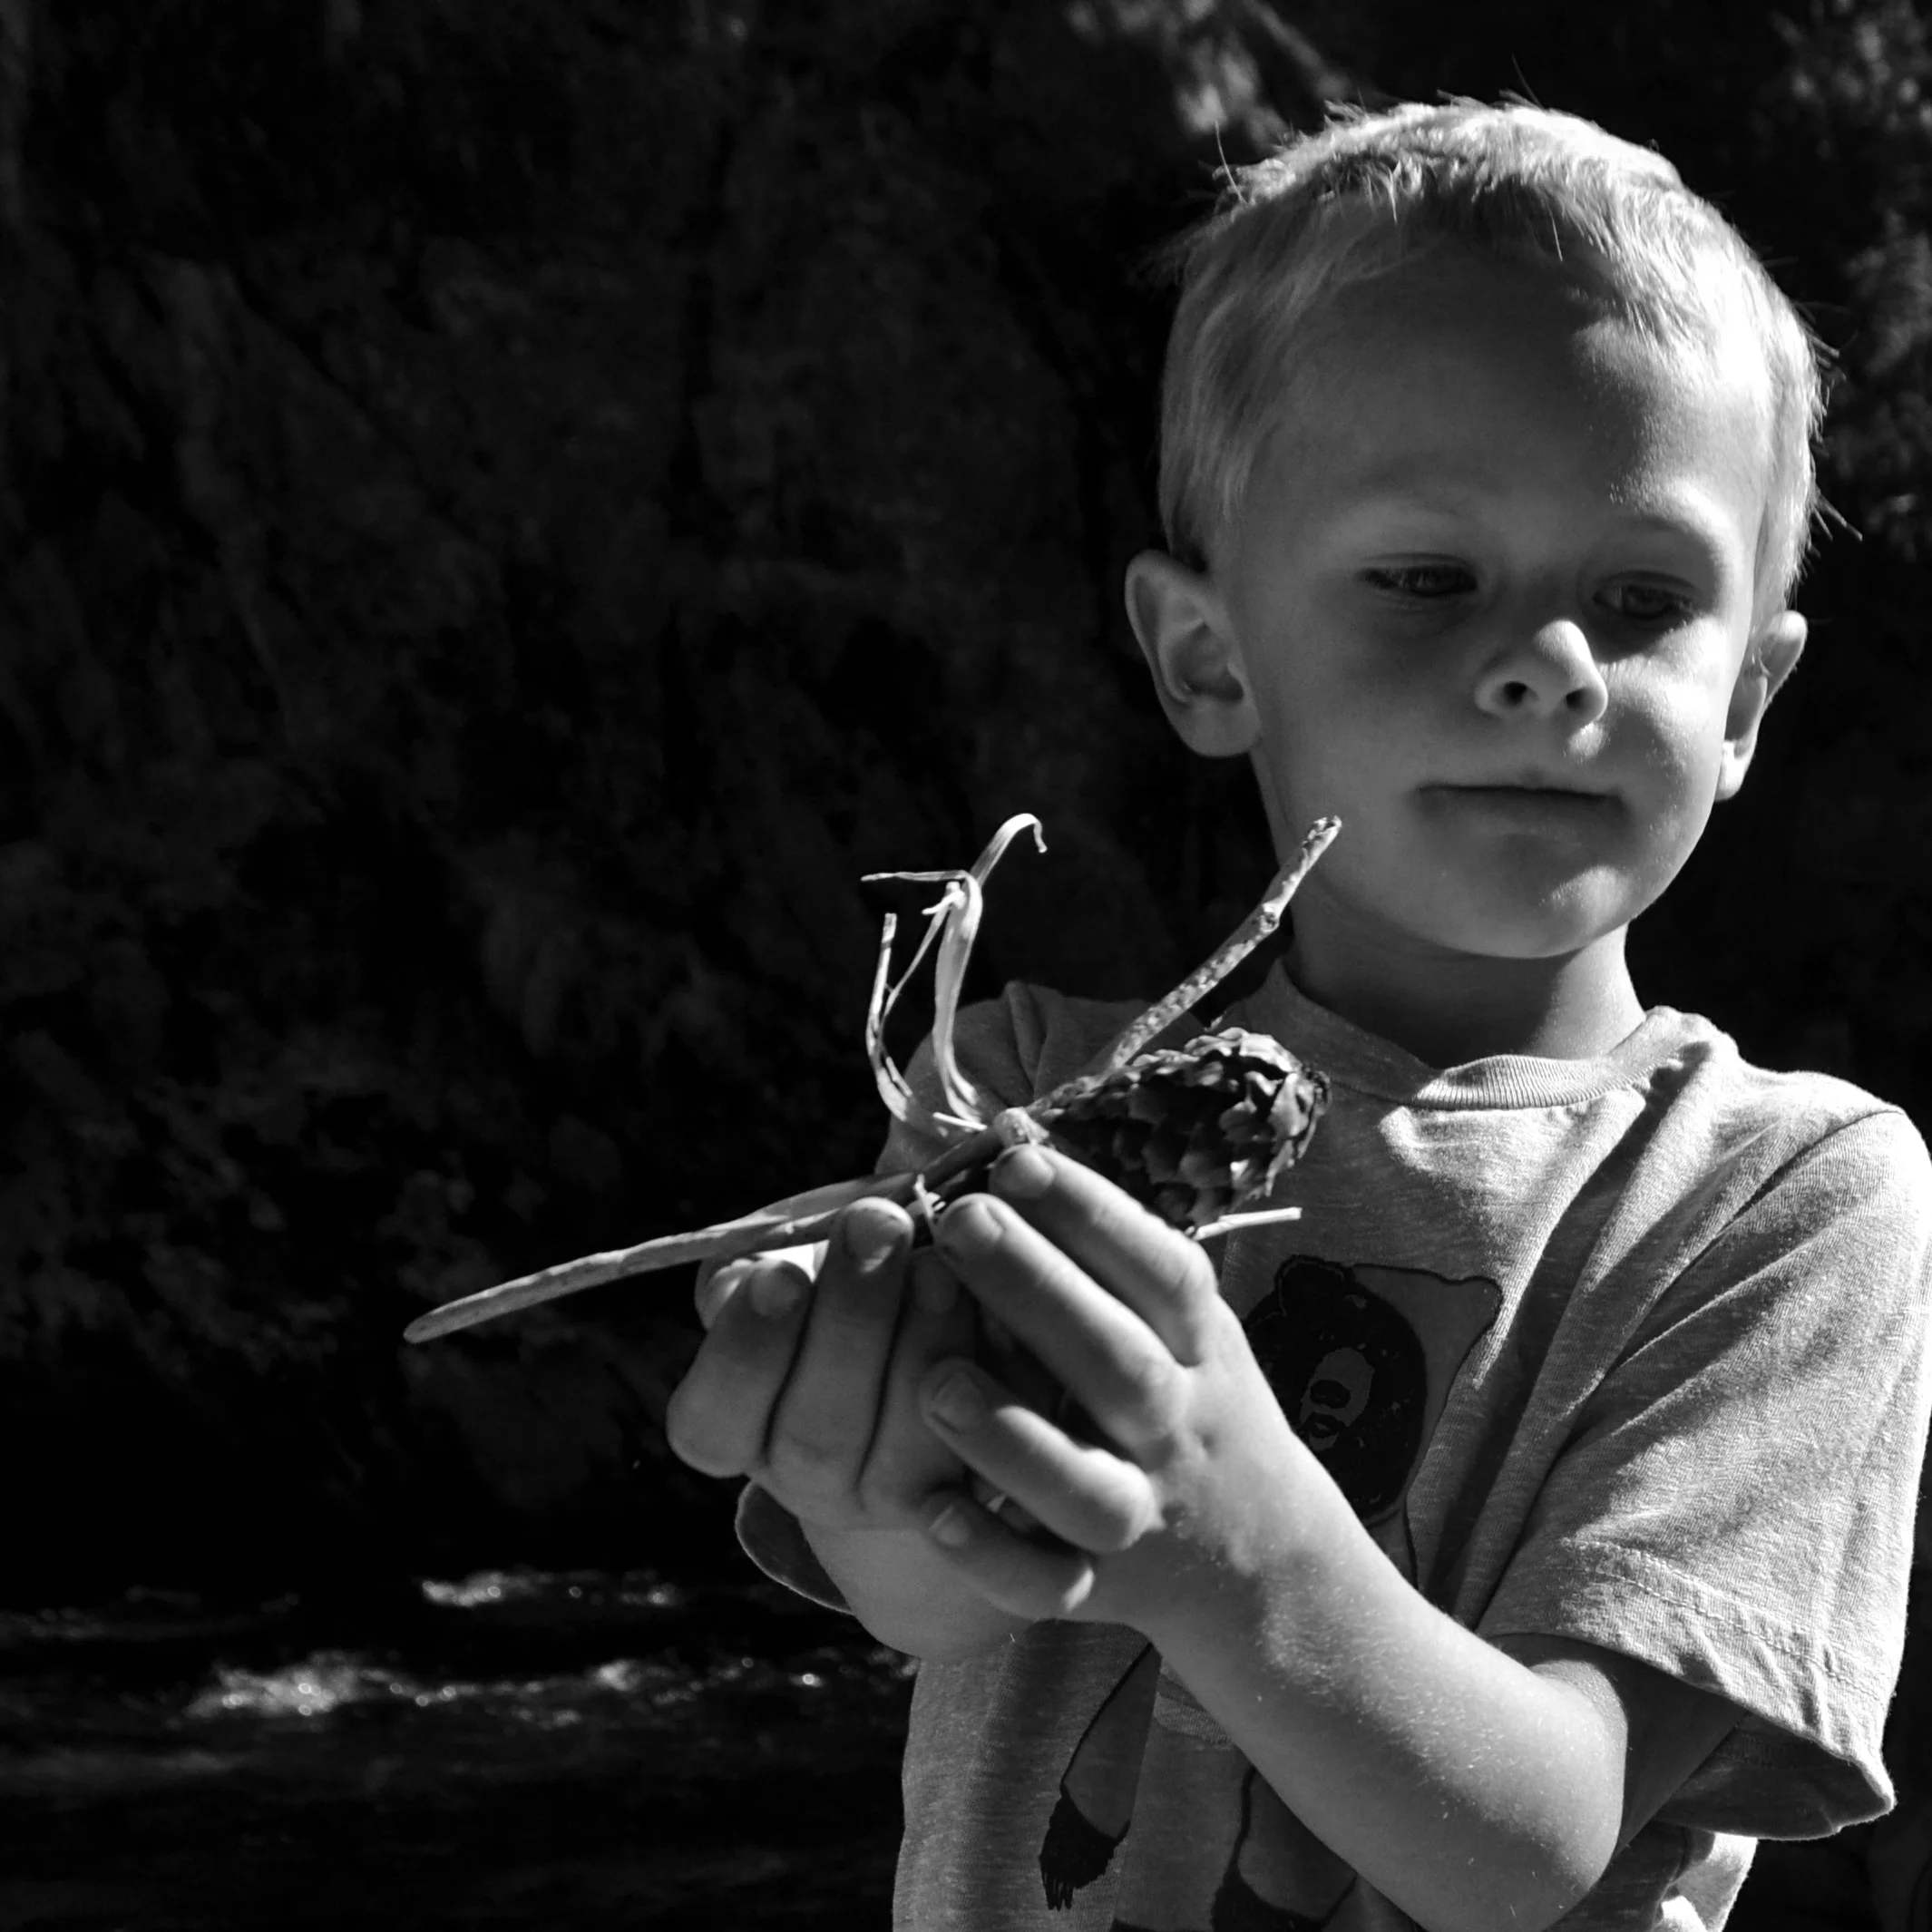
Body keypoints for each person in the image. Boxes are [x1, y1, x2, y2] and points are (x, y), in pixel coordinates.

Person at [663, 101, 1932, 1931]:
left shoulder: (1783, 1197)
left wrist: (1232, 1547)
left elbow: (1541, 1839)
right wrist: (843, 1435)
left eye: (1643, 598)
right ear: (1206, 655)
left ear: (1743, 699)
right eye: (1427, 577)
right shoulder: (1022, 1088)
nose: (1548, 662)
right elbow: (929, 1589)